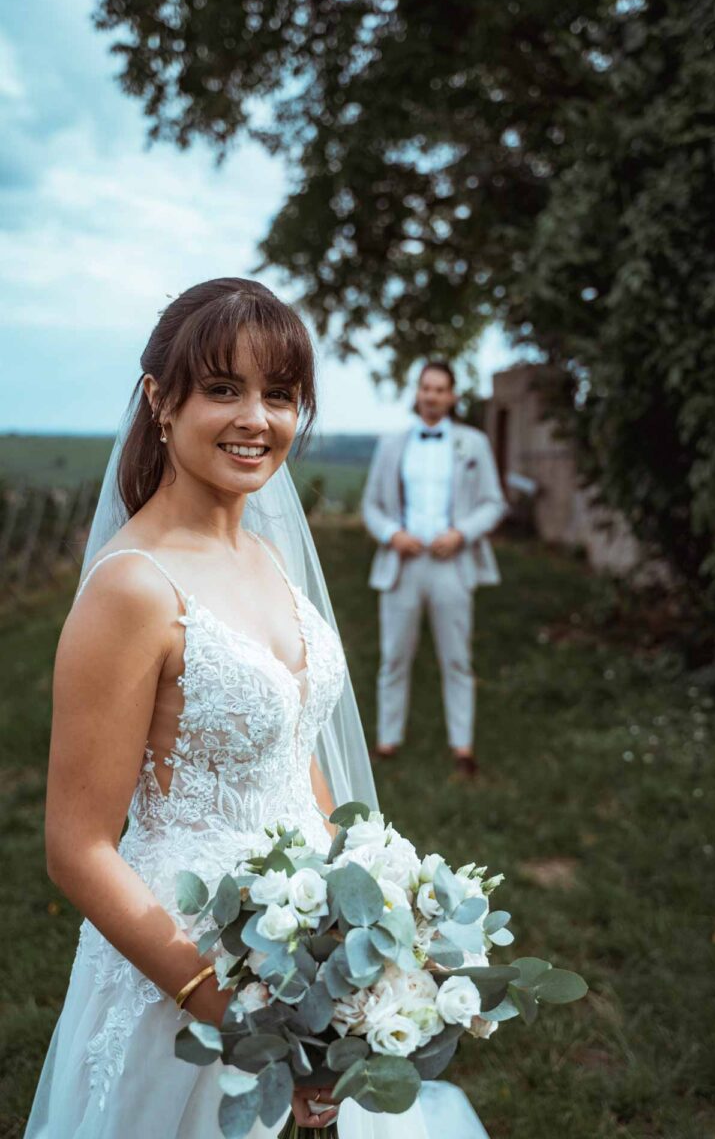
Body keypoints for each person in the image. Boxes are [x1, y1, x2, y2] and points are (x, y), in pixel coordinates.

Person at [23, 279, 489, 1139]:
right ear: (162, 403)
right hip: (187, 957)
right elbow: (76, 847)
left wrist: (373, 913)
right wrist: (231, 1008)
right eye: (223, 389)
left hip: (316, 942)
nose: (257, 419)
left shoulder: (270, 553)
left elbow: (292, 742)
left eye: (279, 395)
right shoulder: (133, 588)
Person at [362, 361, 507, 776]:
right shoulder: (392, 444)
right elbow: (371, 504)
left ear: (453, 396)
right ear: (418, 392)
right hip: (403, 564)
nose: (432, 395)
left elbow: (493, 503)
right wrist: (392, 534)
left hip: (451, 565)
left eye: (440, 389)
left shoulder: (472, 443)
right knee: (394, 656)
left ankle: (462, 747)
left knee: (457, 657)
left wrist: (461, 534)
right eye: (426, 388)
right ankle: (387, 743)